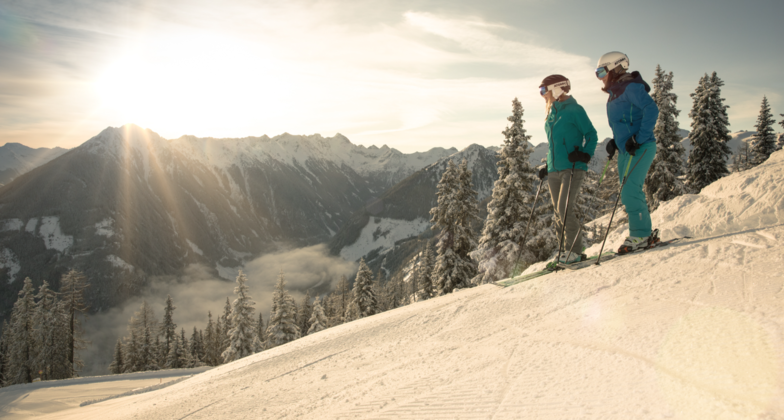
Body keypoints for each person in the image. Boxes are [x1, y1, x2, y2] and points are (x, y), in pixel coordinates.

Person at [595, 51, 659, 253]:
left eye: (601, 71)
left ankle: (641, 235)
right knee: (627, 191)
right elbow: (625, 121)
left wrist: (638, 138)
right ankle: (641, 233)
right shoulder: (615, 92)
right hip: (626, 149)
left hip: (640, 146)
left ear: (615, 67)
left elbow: (651, 109)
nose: (600, 76)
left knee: (631, 190)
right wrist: (616, 141)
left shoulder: (631, 87)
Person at [537, 74, 598, 263]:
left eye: (543, 90)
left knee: (564, 209)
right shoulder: (552, 112)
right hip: (555, 169)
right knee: (558, 212)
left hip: (573, 167)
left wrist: (585, 154)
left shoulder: (575, 110)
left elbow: (592, 134)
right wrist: (547, 165)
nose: (542, 95)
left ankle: (575, 251)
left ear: (557, 88)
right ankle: (565, 251)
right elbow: (554, 144)